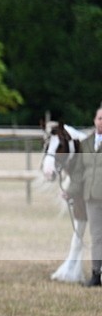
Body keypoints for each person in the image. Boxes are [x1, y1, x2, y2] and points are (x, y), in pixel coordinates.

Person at [67, 104, 102, 287]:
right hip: (92, 197)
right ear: (94, 120)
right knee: (96, 237)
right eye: (100, 118)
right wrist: (70, 191)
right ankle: (96, 275)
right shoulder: (87, 143)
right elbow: (79, 172)